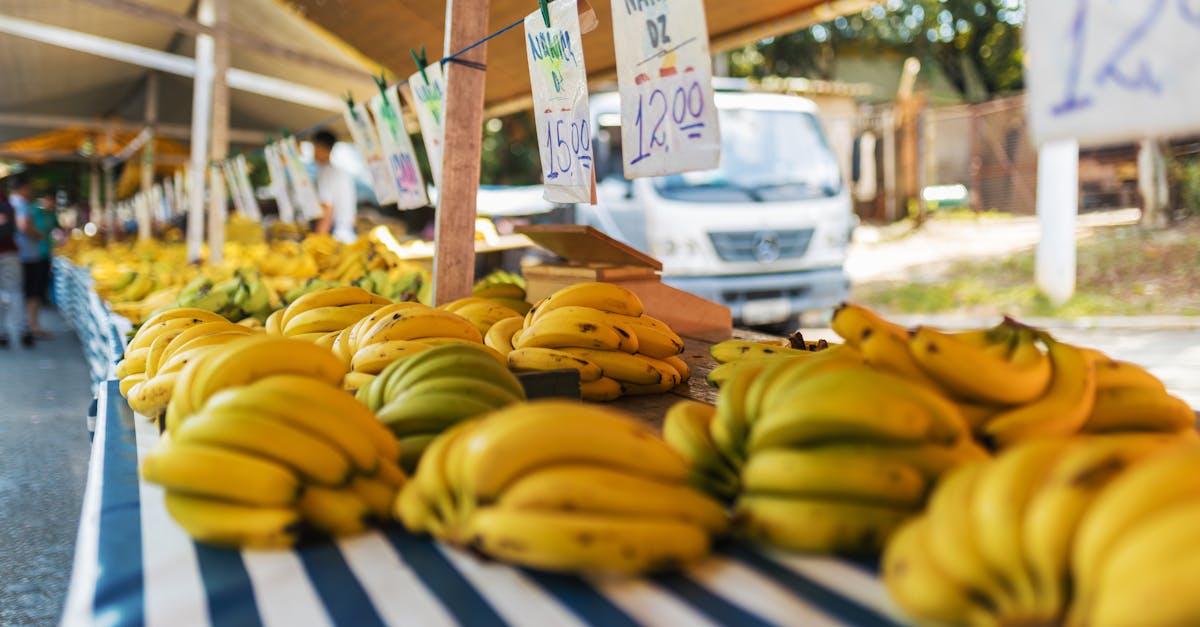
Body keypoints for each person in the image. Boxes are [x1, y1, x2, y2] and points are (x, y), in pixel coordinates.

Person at [22, 191, 59, 339]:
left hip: (43, 255)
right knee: (32, 291)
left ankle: (31, 324)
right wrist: (39, 235)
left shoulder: (52, 214)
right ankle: (30, 325)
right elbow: (24, 226)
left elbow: (58, 228)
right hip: (32, 256)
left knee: (37, 289)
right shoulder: (32, 210)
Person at [311, 129, 358, 243]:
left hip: (336, 236)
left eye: (315, 147)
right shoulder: (340, 172)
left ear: (322, 148)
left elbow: (327, 209)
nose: (314, 152)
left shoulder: (327, 173)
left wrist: (317, 243)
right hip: (348, 234)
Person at [7, 176, 36, 347]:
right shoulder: (21, 204)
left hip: (12, 253)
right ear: (22, 188)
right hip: (22, 253)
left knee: (7, 292)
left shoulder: (9, 202)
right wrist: (39, 235)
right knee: (21, 292)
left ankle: (4, 330)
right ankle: (26, 328)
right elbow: (23, 226)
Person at [0, 181, 23, 348]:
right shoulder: (4, 199)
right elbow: (14, 226)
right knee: (14, 290)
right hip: (8, 252)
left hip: (8, 252)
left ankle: (2, 331)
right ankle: (22, 329)